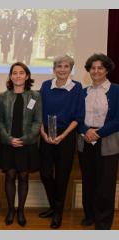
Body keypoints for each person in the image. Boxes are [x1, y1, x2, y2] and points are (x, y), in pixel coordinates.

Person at [39, 55, 85, 229]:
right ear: (54, 68)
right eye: (59, 66)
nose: (62, 69)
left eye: (66, 66)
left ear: (71, 69)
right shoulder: (45, 86)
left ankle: (58, 213)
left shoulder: (77, 88)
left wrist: (62, 136)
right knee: (44, 173)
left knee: (62, 176)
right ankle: (53, 206)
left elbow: (78, 116)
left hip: (66, 136)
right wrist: (43, 133)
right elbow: (39, 112)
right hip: (46, 135)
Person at [0, 62, 42, 227]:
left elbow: (38, 121)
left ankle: (21, 210)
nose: (18, 76)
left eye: (21, 73)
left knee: (23, 176)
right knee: (9, 175)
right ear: (10, 76)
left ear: (27, 76)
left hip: (26, 143)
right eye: (14, 73)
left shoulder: (35, 96)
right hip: (8, 143)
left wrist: (27, 138)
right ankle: (10, 210)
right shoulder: (3, 96)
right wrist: (8, 138)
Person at [78, 53, 119, 230]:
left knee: (106, 184)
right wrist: (85, 130)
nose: (96, 71)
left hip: (107, 141)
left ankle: (103, 223)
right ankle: (90, 215)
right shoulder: (82, 92)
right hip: (85, 139)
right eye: (93, 68)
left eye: (100, 68)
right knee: (88, 180)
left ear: (107, 70)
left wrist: (99, 133)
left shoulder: (117, 90)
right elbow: (76, 116)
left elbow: (118, 119)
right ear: (89, 70)